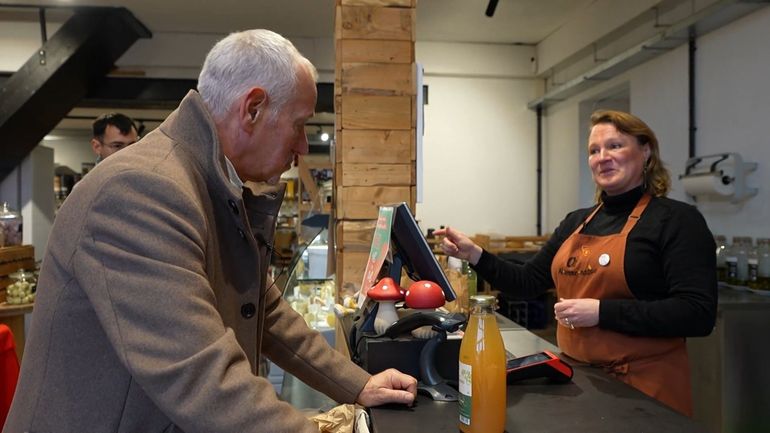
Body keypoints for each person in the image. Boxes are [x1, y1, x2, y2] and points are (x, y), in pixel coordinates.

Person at [4, 30, 416, 433]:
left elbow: (264, 310)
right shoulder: (140, 190)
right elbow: (204, 379)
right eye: (299, 124)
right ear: (252, 108)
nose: (304, 146)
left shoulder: (207, 183)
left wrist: (357, 383)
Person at [435, 110, 717, 416]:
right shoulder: (577, 221)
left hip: (645, 388)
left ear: (646, 151)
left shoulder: (676, 221)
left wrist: (600, 312)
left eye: (615, 146)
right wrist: (475, 254)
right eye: (594, 150)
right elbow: (527, 283)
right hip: (580, 381)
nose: (602, 157)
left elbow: (697, 313)